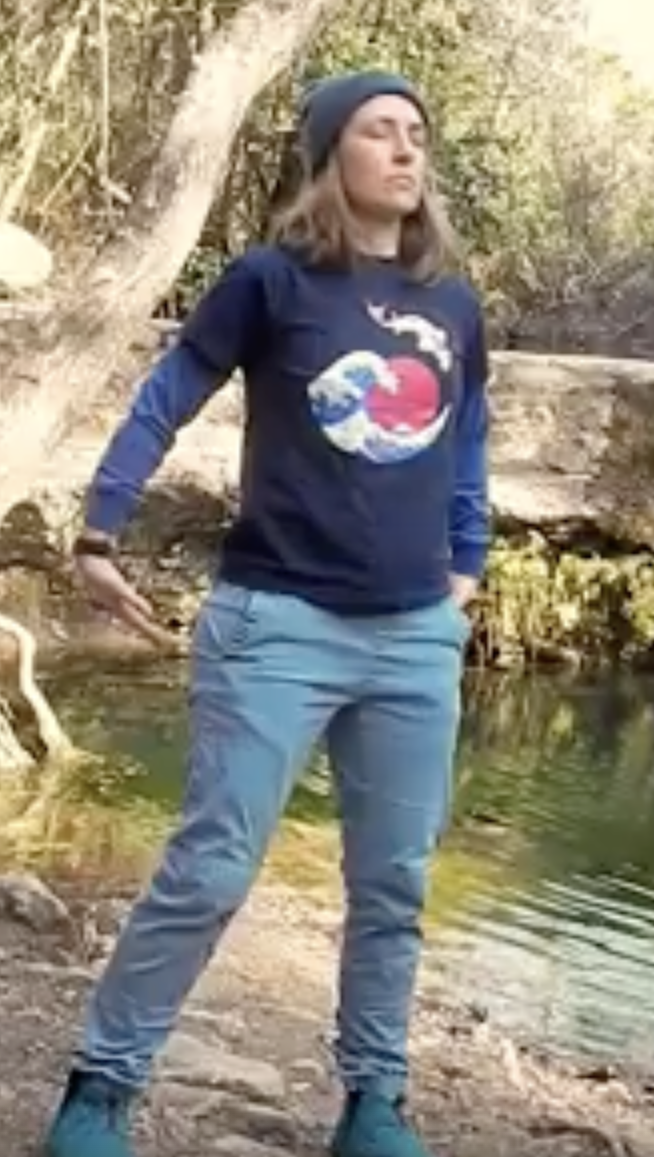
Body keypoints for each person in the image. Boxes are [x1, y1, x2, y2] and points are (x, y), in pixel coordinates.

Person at [42, 69, 489, 1157]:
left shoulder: (451, 302)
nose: (403, 149)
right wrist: (100, 529)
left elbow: (465, 435)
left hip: (411, 635)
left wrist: (466, 564)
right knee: (212, 866)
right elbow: (168, 392)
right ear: (331, 153)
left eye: (416, 134)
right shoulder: (271, 280)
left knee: (392, 882)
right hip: (275, 620)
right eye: (379, 131)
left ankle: (373, 1102)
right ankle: (100, 1088)